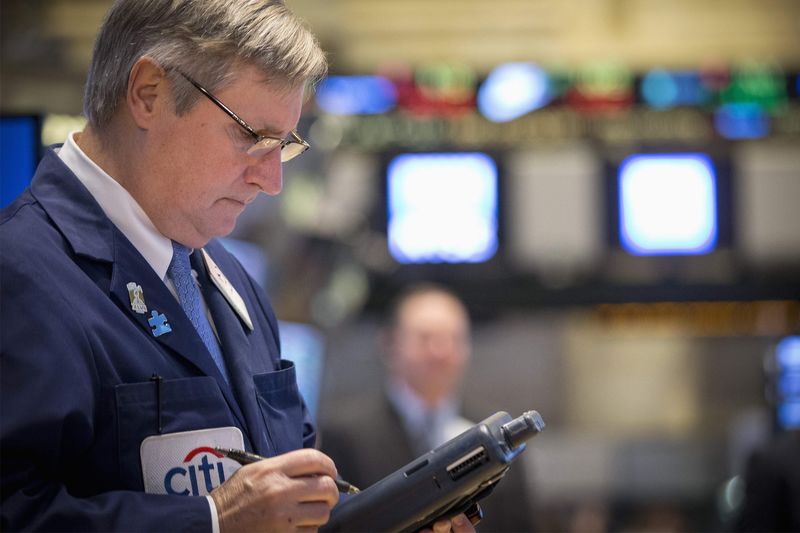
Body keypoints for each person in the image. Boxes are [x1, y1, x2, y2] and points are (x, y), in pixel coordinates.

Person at [0, 2, 475, 532]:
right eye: (253, 136)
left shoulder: (233, 283)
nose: (272, 180)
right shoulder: (20, 273)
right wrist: (212, 519)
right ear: (148, 95)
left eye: (285, 145)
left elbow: (287, 506)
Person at [320, 283, 537, 532]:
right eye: (426, 338)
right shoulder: (346, 435)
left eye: (454, 338)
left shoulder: (498, 434)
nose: (441, 351)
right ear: (390, 343)